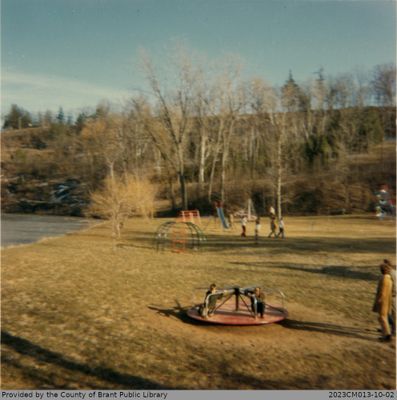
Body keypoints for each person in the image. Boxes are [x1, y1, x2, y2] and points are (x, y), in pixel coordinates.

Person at [373, 263, 393, 342]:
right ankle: (385, 334)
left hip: (383, 302)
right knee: (382, 318)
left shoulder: (384, 279)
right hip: (387, 301)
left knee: (382, 318)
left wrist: (378, 301)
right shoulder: (389, 278)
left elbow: (383, 292)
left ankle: (387, 335)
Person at [384, 259, 396, 335]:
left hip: (393, 296)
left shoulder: (392, 274)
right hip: (391, 295)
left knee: (394, 313)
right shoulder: (393, 272)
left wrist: (392, 294)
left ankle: (394, 330)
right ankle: (387, 327)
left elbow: (395, 286)